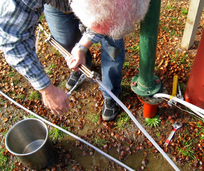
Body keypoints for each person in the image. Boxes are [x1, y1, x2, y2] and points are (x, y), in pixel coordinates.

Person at [0, 0, 150, 121]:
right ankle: (83, 67)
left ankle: (110, 93)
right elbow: (13, 41)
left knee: (113, 49)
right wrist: (47, 89)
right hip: (57, 6)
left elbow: (106, 21)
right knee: (66, 40)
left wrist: (81, 47)